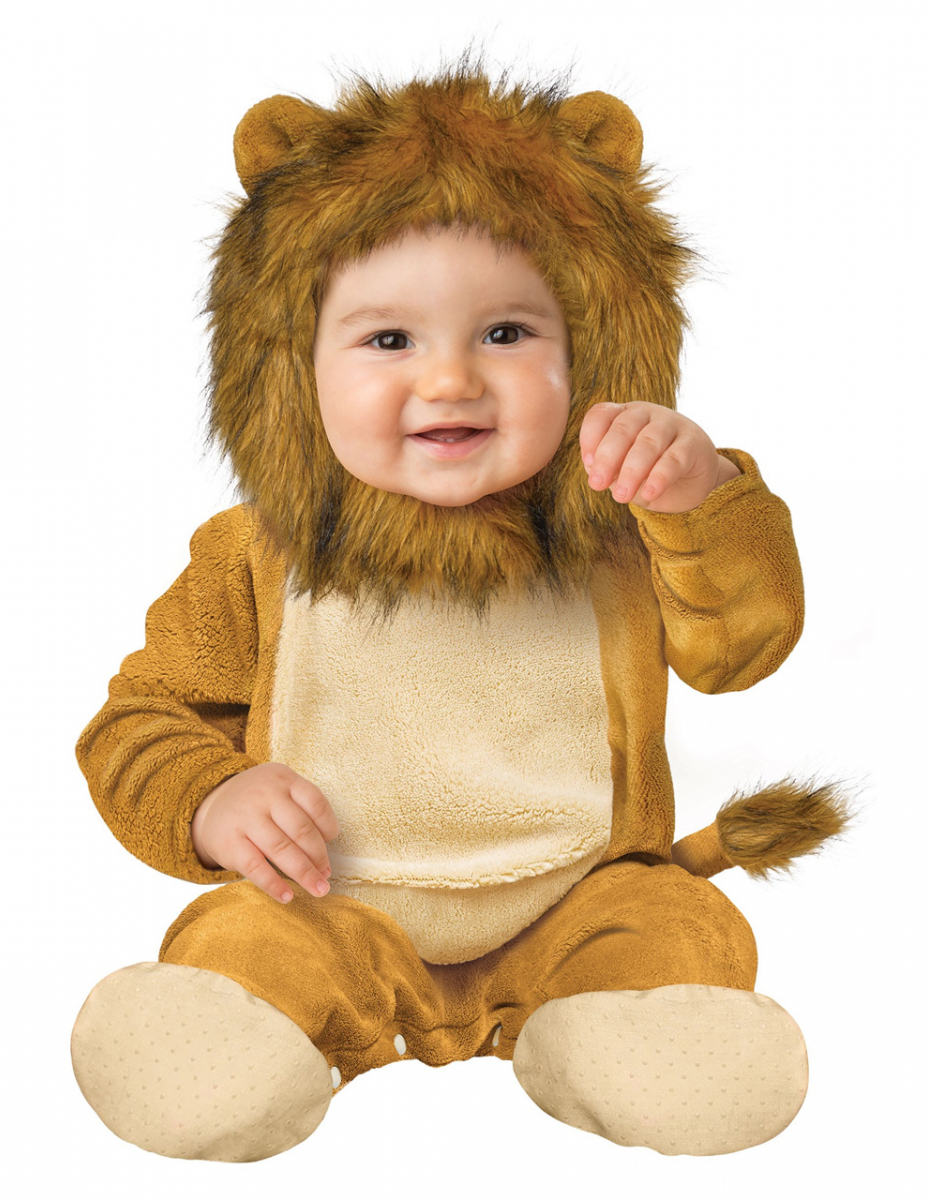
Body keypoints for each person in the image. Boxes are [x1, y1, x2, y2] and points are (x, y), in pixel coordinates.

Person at [71, 66, 842, 1162]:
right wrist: (208, 797)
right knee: (245, 952)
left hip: (581, 901)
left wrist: (700, 500)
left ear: (592, 353)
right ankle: (239, 1043)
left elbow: (742, 648)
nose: (449, 383)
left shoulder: (622, 531)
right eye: (388, 340)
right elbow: (140, 722)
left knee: (666, 928)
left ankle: (627, 1031)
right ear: (292, 369)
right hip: (327, 909)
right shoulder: (256, 555)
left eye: (507, 333)